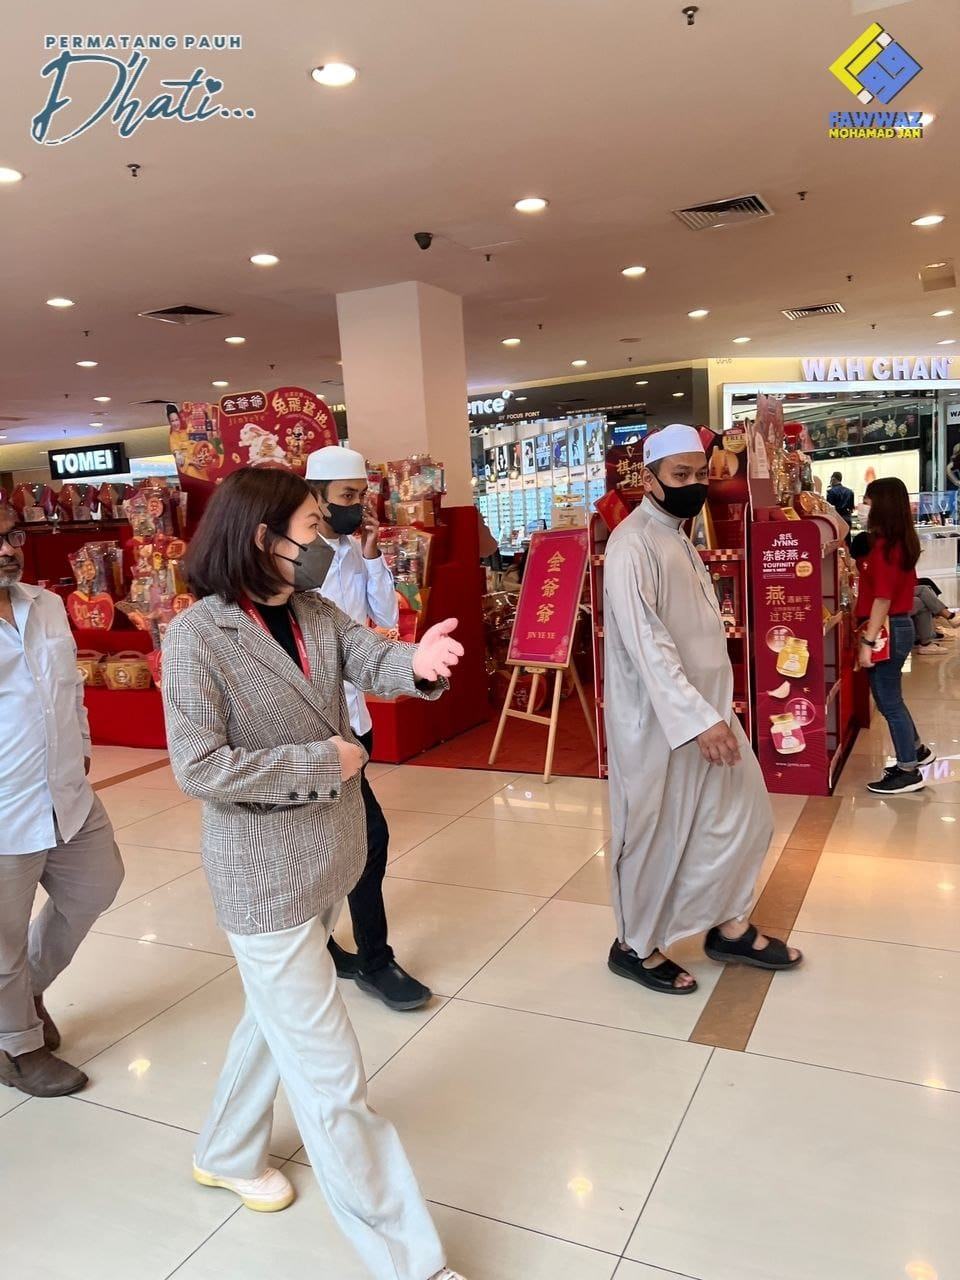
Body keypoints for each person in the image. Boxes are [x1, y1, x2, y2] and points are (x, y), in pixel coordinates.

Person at [161, 469, 466, 1280]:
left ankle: (227, 1150)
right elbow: (199, 767)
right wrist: (318, 763)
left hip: (327, 859)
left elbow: (373, 657)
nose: (326, 540)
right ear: (265, 538)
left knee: (274, 1021)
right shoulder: (196, 637)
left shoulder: (312, 611)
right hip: (261, 880)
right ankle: (411, 1263)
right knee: (333, 1082)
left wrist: (421, 663)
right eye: (311, 524)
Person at [602, 425, 801, 995]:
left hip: (709, 713)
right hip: (660, 725)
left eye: (699, 475)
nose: (693, 485)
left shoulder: (678, 536)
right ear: (650, 479)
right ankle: (635, 945)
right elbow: (648, 643)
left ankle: (726, 924)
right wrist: (697, 719)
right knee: (653, 835)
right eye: (680, 476)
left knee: (742, 817)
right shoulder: (631, 544)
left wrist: (715, 712)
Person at [0, 503, 124, 1098]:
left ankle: (26, 992)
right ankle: (15, 1047)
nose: (7, 549)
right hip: (2, 809)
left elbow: (67, 685)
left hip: (64, 790)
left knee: (97, 882)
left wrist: (82, 745)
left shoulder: (44, 604)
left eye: (10, 535)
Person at [304, 445, 430, 1011]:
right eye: (346, 498)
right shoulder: (299, 558)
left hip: (355, 718)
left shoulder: (352, 549)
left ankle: (325, 944)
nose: (357, 507)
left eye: (361, 496)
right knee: (366, 839)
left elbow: (382, 614)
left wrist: (372, 554)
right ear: (316, 498)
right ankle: (371, 959)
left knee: (347, 840)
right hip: (311, 729)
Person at [854, 477, 933, 795]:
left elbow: (882, 599)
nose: (863, 507)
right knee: (892, 698)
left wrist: (868, 642)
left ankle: (907, 771)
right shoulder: (900, 541)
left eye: (868, 501)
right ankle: (916, 751)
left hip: (888, 628)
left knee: (889, 702)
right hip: (897, 625)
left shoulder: (886, 545)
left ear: (881, 505)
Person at [911, 578, 959, 651]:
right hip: (892, 603)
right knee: (923, 590)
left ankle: (925, 642)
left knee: (923, 593)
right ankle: (949, 616)